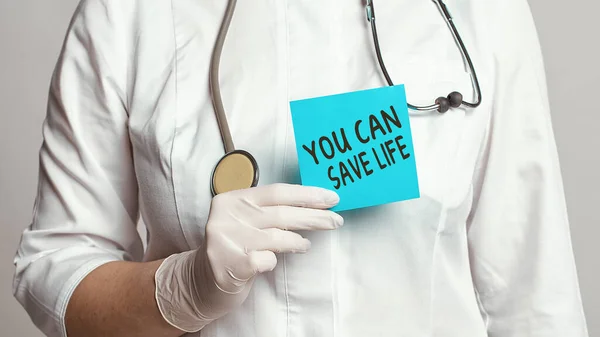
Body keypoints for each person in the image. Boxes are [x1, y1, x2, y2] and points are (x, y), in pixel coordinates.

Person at [13, 0, 589, 336]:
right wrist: (185, 287)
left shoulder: (479, 14)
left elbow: (536, 301)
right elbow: (52, 267)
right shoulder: (131, 12)